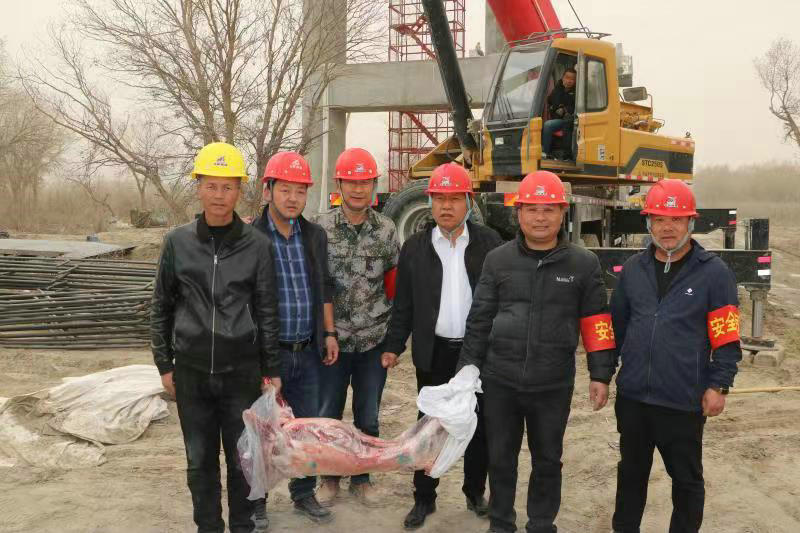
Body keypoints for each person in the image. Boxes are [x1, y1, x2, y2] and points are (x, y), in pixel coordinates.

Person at [457, 170, 617, 533]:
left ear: (562, 213)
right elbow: (479, 319)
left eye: (549, 209)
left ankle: (542, 524)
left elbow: (597, 323)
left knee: (547, 460)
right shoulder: (498, 260)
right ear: (518, 213)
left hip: (552, 384)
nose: (540, 218)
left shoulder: (583, 264)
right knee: (501, 459)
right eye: (531, 209)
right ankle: (501, 523)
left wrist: (600, 374)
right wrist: (467, 368)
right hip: (500, 381)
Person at [150, 142, 280, 533]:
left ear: (240, 190)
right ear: (199, 187)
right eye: (211, 185)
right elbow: (161, 305)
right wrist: (164, 364)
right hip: (191, 374)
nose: (219, 195)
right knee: (199, 463)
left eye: (227, 187)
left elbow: (267, 311)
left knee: (243, 463)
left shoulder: (257, 245)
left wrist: (271, 370)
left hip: (240, 374)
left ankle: (242, 527)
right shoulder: (177, 243)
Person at [610, 179, 742, 533]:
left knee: (686, 481)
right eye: (659, 219)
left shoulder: (714, 273)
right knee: (630, 476)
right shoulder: (633, 270)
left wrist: (719, 385)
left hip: (682, 400)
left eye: (676, 219)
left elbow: (727, 337)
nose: (667, 227)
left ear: (690, 222)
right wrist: (601, 375)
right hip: (633, 398)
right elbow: (616, 328)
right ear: (648, 222)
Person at [381, 163, 503, 530]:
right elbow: (403, 305)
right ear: (430, 203)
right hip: (433, 352)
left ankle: (474, 492)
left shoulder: (490, 244)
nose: (446, 206)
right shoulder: (415, 248)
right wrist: (393, 345)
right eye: (439, 199)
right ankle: (424, 498)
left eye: (454, 199)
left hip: (476, 354)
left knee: (479, 426)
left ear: (468, 201)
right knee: (430, 427)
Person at [251, 151, 339, 526]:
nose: (292, 198)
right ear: (268, 190)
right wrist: (261, 361)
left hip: (308, 350)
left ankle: (303, 494)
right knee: (260, 433)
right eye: (285, 189)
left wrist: (329, 332)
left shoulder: (314, 236)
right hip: (268, 355)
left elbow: (324, 287)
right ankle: (255, 502)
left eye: (300, 191)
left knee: (305, 429)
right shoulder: (251, 238)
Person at [314, 147, 400, 507]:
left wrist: (394, 341)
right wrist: (324, 333)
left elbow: (394, 284)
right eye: (351, 182)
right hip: (332, 341)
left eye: (365, 182)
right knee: (328, 415)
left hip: (373, 341)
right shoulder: (321, 229)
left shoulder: (386, 230)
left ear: (374, 185)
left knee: (369, 416)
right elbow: (317, 285)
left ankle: (362, 478)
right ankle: (330, 477)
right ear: (339, 184)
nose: (358, 189)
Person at [542, 68, 576, 159]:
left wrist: (564, 109)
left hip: (569, 120)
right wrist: (562, 90)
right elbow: (551, 100)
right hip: (557, 117)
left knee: (548, 125)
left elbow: (575, 107)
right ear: (563, 78)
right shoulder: (558, 87)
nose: (569, 81)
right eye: (567, 78)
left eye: (572, 79)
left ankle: (545, 152)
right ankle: (546, 153)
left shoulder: (576, 91)